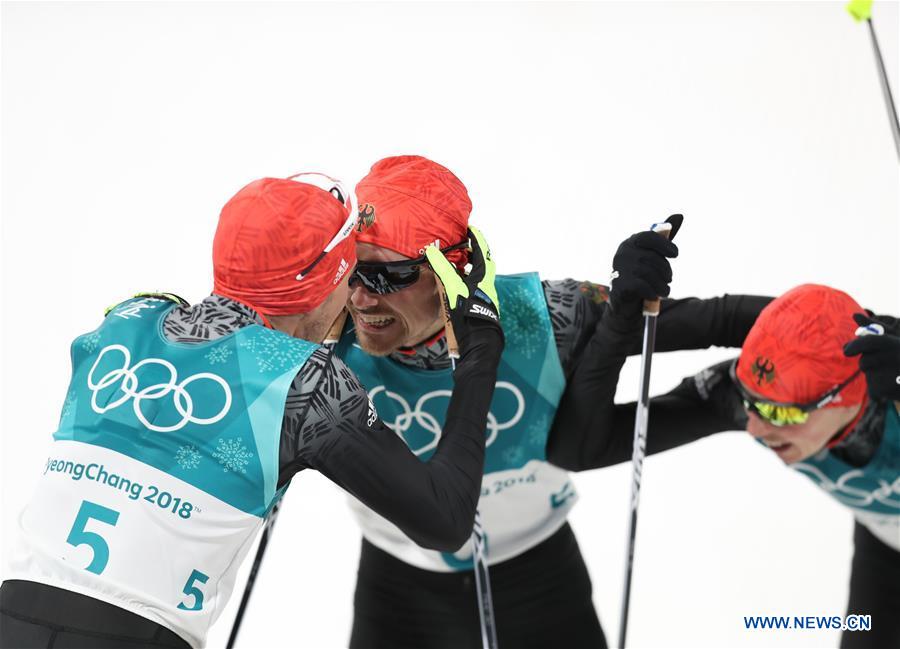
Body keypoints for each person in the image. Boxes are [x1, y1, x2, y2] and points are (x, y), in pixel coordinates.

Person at [0, 172, 504, 649]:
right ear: (326, 280)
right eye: (352, 271)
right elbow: (445, 522)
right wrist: (480, 349)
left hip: (11, 611)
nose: (357, 292)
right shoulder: (306, 385)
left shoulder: (126, 317)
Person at [334, 154, 771, 648]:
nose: (361, 298)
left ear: (450, 267)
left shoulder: (543, 317)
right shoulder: (323, 330)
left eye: (387, 276)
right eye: (349, 271)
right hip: (397, 588)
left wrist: (855, 328)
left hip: (538, 578)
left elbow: (716, 322)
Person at [579, 283, 899, 649]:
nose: (755, 427)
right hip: (886, 544)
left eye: (780, 413)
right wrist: (617, 326)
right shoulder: (744, 400)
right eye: (750, 402)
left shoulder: (890, 374)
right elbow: (584, 449)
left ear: (846, 395)